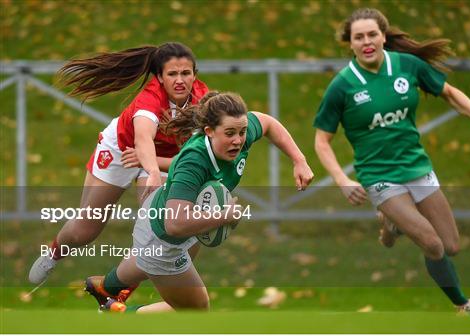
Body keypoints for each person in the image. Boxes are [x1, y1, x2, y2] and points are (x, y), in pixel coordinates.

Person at [313, 8, 470, 315]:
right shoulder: (343, 85)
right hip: (379, 175)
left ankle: (391, 224)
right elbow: (322, 140)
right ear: (349, 43)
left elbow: (449, 92)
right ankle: (463, 305)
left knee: (450, 246)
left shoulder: (407, 65)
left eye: (372, 35)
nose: (366, 42)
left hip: (417, 168)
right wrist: (342, 179)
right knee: (432, 244)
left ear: (383, 37)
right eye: (358, 37)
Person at [84, 91, 314, 313]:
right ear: (209, 131)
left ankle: (106, 287)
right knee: (195, 309)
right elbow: (174, 224)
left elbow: (268, 124)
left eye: (242, 131)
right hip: (164, 234)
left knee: (152, 256)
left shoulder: (239, 135)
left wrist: (299, 160)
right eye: (230, 133)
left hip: (170, 215)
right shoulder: (194, 162)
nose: (238, 140)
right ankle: (119, 316)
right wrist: (224, 216)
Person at [28, 43, 209, 287]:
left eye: (186, 73)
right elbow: (142, 139)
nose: (180, 80)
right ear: (160, 78)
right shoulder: (150, 98)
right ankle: (54, 253)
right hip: (122, 149)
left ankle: (119, 287)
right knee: (85, 229)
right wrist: (153, 170)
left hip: (161, 158)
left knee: (163, 227)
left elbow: (201, 150)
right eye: (172, 74)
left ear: (194, 75)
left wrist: (155, 166)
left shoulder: (203, 100)